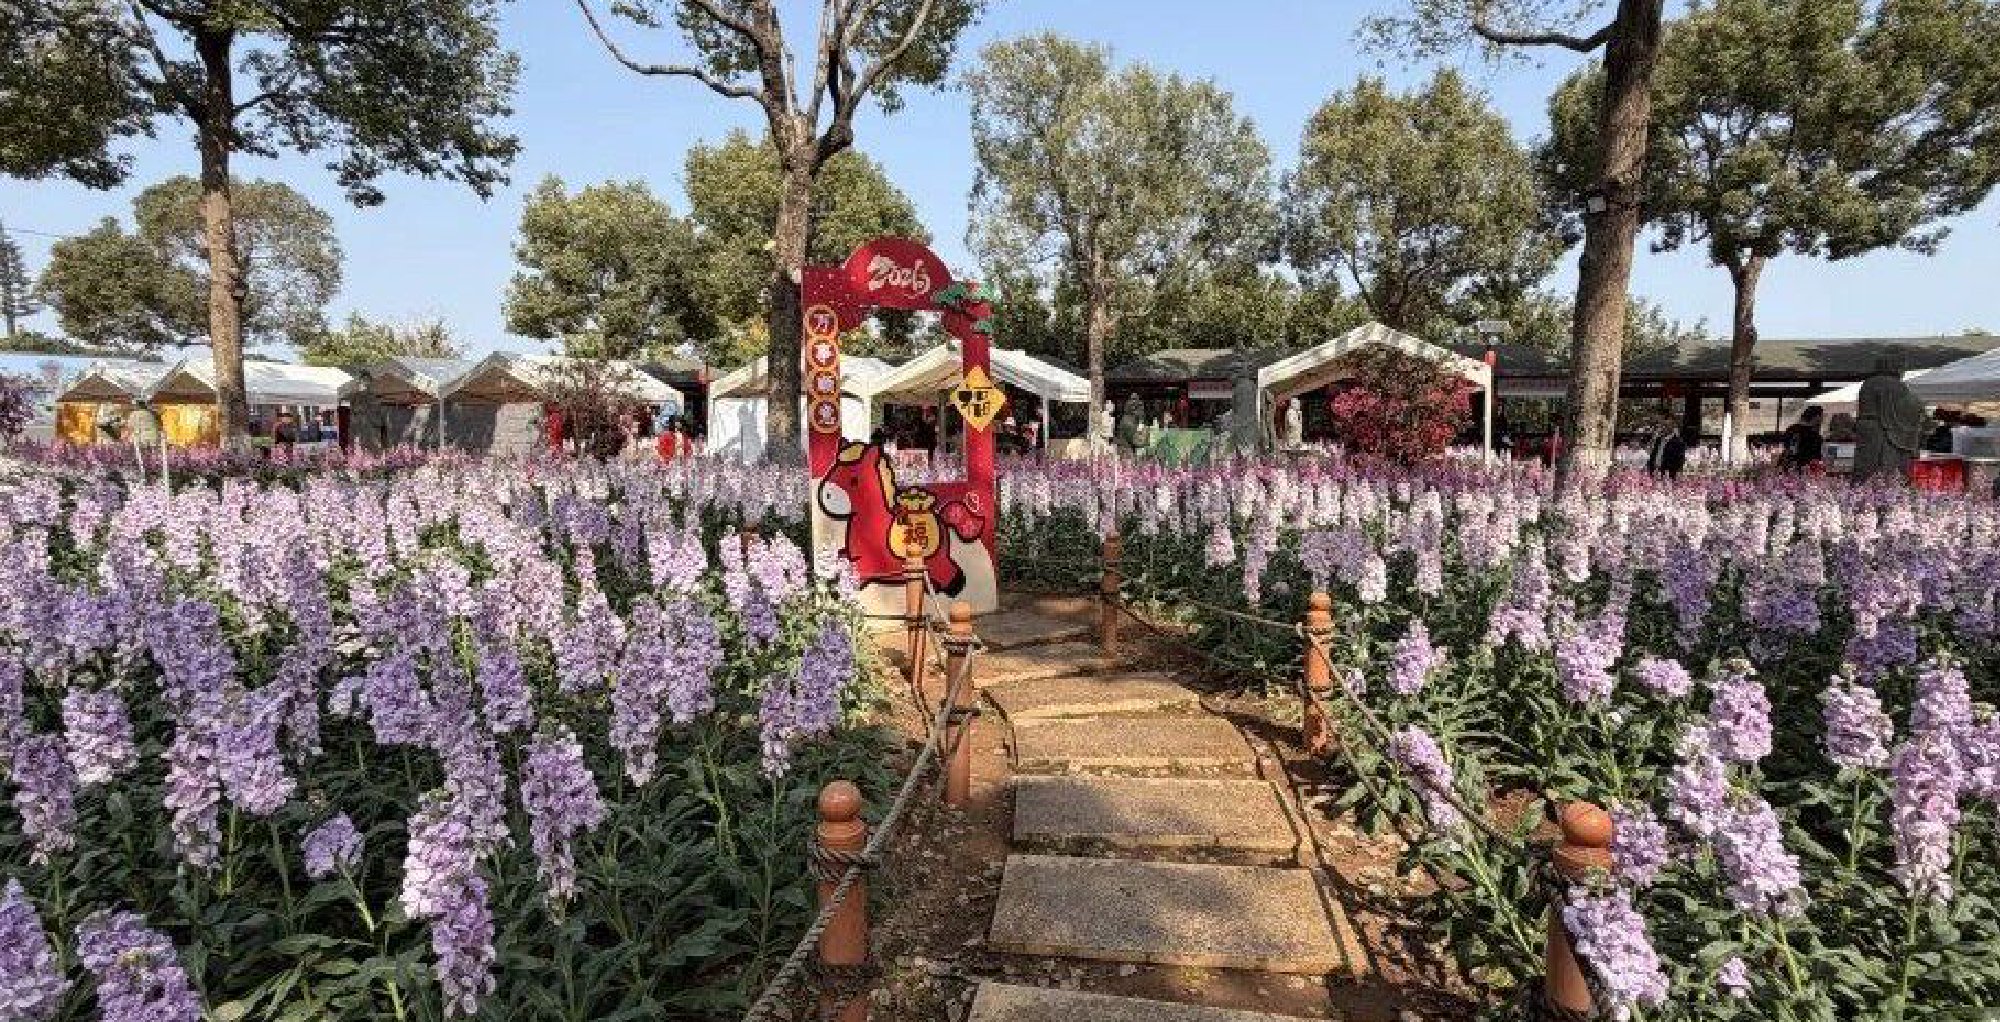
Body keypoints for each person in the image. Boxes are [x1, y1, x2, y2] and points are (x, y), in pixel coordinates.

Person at [1853, 356, 1925, 482]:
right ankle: (1882, 487)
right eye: (1900, 366)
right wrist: (1919, 407)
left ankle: (1861, 487)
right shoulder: (1893, 384)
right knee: (1883, 464)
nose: (1902, 371)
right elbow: (1907, 405)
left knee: (1865, 463)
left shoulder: (1868, 383)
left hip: (1865, 425)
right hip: (1882, 427)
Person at [1779, 406, 1826, 471]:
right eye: (1822, 417)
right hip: (1804, 470)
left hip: (1787, 465)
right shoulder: (1814, 436)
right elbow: (1816, 459)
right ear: (1817, 417)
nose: (1822, 420)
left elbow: (1786, 447)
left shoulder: (1790, 429)